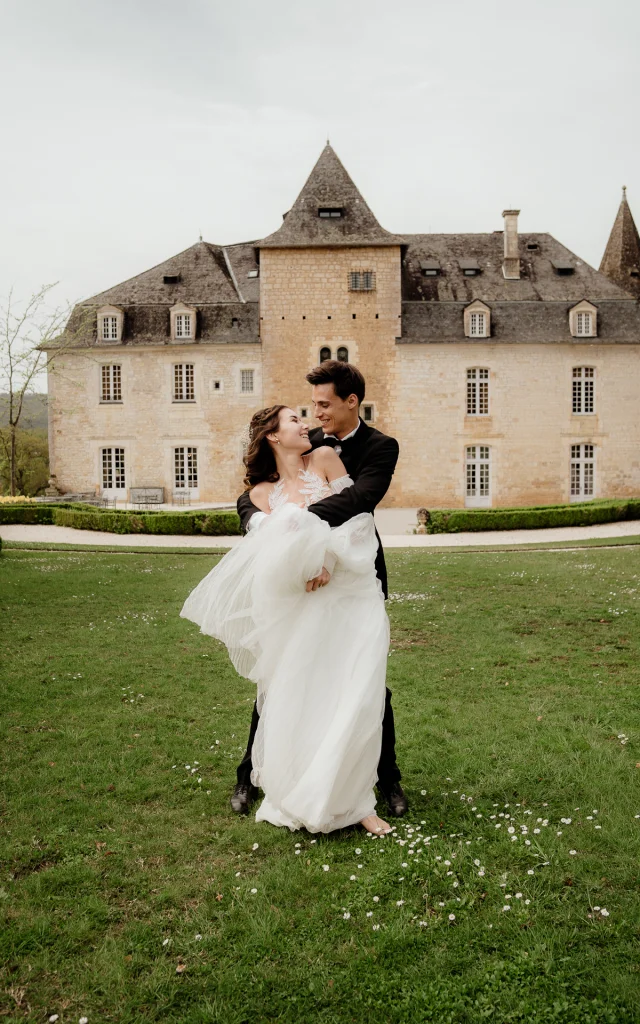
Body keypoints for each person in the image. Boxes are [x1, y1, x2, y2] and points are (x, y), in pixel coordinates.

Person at [181, 402, 392, 834]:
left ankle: (359, 801)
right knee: (306, 694)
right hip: (303, 605)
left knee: (358, 691)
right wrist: (300, 563)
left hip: (350, 591)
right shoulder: (259, 496)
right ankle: (302, 790)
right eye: (295, 419)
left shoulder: (327, 459)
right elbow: (266, 554)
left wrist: (328, 559)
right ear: (274, 436)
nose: (306, 423)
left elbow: (358, 518)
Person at [232, 360, 407, 820]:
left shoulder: (380, 447)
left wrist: (313, 543)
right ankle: (252, 773)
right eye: (310, 407)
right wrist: (265, 520)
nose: (316, 414)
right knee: (284, 677)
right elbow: (258, 490)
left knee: (369, 685)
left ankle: (385, 780)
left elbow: (357, 502)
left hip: (352, 575)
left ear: (353, 402)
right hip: (299, 585)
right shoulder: (306, 442)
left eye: (324, 405)